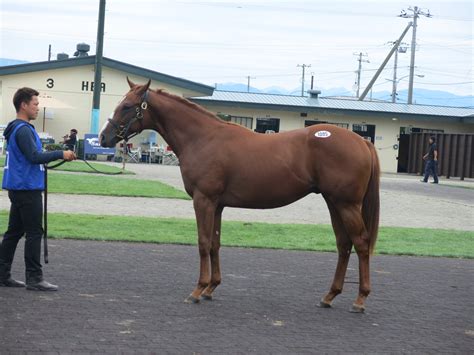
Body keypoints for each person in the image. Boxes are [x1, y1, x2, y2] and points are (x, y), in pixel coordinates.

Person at [0, 87, 76, 291]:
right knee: (34, 232)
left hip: (19, 186)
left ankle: (2, 274)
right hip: (27, 188)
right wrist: (61, 153)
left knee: (14, 232)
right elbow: (34, 157)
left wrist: (59, 154)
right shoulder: (23, 129)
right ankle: (34, 278)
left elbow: (34, 155)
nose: (37, 108)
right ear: (23, 105)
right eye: (35, 104)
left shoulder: (17, 128)